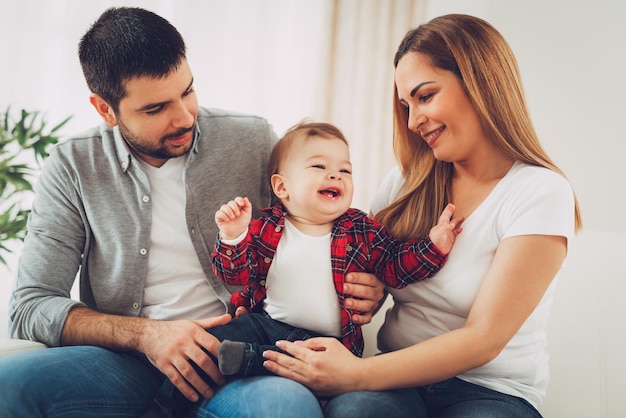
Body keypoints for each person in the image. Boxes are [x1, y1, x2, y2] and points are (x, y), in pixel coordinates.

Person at [0, 7, 386, 418]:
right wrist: (149, 336)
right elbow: (30, 306)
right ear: (105, 109)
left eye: (187, 91)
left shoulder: (252, 139)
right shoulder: (73, 164)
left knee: (283, 406)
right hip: (125, 363)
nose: (185, 117)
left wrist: (369, 283)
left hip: (238, 361)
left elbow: (323, 226)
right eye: (155, 109)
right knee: (9, 385)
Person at [261, 14, 583, 418]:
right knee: (355, 413)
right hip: (397, 383)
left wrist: (356, 375)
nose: (413, 122)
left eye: (425, 96)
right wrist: (369, 290)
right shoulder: (405, 182)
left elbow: (484, 339)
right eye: (405, 105)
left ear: (481, 82)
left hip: (491, 391)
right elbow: (359, 262)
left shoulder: (539, 191)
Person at [147, 121, 463, 416]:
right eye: (319, 166)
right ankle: (163, 406)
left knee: (286, 358)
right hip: (266, 325)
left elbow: (395, 264)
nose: (336, 176)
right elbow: (236, 276)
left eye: (345, 170)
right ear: (282, 187)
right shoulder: (265, 227)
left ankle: (249, 360)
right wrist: (234, 236)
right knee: (211, 341)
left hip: (327, 345)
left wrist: (433, 247)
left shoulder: (361, 229)